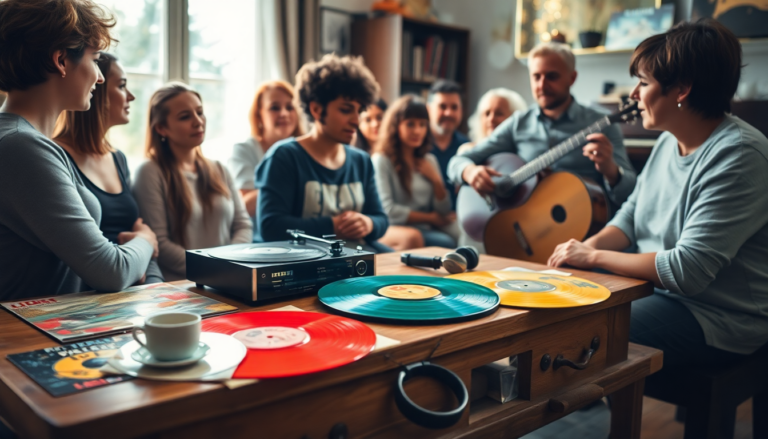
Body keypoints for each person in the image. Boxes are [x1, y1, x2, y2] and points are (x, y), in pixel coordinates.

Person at [547, 20, 768, 368]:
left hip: (720, 318)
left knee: (585, 326)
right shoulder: (669, 139)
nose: (634, 94)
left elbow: (688, 271)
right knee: (560, 307)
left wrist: (591, 259)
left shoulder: (740, 154)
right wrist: (587, 248)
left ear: (681, 89)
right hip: (658, 292)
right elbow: (631, 216)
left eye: (644, 82)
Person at [0, 0, 157, 299]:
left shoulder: (24, 141)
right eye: (95, 59)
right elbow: (110, 270)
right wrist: (146, 240)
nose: (99, 75)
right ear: (60, 60)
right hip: (27, 339)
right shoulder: (21, 147)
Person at [448, 42, 636, 214]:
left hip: (583, 224)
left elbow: (630, 193)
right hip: (526, 226)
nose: (542, 85)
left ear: (572, 78)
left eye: (551, 76)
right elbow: (457, 162)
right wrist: (469, 171)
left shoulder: (603, 124)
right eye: (536, 77)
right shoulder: (518, 124)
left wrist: (610, 170)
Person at [254, 54, 389, 251]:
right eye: (346, 110)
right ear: (316, 109)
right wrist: (333, 227)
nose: (356, 121)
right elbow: (271, 227)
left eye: (359, 111)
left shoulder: (361, 160)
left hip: (356, 256)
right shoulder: (284, 157)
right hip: (305, 262)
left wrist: (368, 223)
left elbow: (381, 218)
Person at [53, 53, 163, 285]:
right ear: (97, 87)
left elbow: (142, 235)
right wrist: (143, 244)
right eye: (122, 86)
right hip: (95, 293)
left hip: (135, 286)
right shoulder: (55, 157)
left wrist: (155, 287)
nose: (131, 96)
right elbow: (144, 238)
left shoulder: (118, 159)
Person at [133, 83, 252, 281]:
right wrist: (215, 269)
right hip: (181, 287)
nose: (198, 122)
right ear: (162, 128)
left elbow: (243, 225)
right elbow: (159, 242)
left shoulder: (220, 169)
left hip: (228, 281)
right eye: (185, 117)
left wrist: (230, 265)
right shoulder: (149, 172)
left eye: (200, 112)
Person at [372, 95, 459, 250]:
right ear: (396, 125)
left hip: (427, 226)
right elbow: (388, 210)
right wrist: (430, 218)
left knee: (461, 232)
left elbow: (444, 210)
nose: (417, 131)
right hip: (396, 228)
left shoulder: (429, 160)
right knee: (445, 242)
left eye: (422, 124)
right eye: (410, 124)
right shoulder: (381, 160)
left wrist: (436, 180)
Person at [227, 80, 302, 220]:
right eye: (274, 108)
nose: (284, 113)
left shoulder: (307, 150)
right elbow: (245, 206)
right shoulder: (244, 150)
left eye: (290, 107)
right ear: (259, 114)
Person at [427, 79, 469, 209]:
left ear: (461, 111)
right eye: (442, 107)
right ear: (428, 109)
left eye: (454, 107)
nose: (448, 113)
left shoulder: (468, 147)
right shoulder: (415, 146)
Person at [458, 87, 528, 155]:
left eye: (499, 113)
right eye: (487, 114)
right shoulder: (468, 151)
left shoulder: (523, 153)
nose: (491, 119)